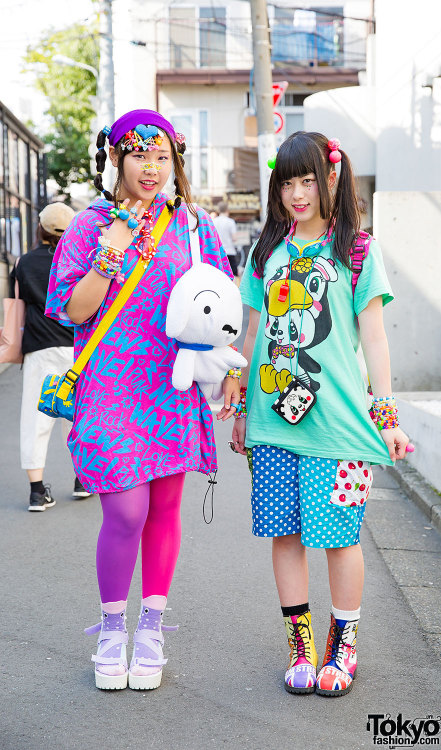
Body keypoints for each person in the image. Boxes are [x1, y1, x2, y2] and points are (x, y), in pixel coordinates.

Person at [45, 109, 239, 692]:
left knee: (164, 509)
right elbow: (73, 311)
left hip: (173, 385)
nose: (151, 168)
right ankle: (111, 628)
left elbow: (221, 305)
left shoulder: (196, 227)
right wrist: (112, 251)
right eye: (139, 155)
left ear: (175, 160)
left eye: (162, 157)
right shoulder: (88, 226)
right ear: (117, 159)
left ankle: (150, 627)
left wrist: (230, 371)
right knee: (125, 512)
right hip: (111, 388)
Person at [232, 131, 410, 697]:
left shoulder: (357, 251)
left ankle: (344, 644)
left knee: (339, 537)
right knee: (284, 537)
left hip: (338, 425)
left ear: (330, 178)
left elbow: (375, 341)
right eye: (287, 183)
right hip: (271, 421)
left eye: (307, 180)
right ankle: (300, 648)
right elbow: (253, 334)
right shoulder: (267, 254)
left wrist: (386, 414)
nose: (297, 193)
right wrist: (239, 406)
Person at [10, 202, 92, 511]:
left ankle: (36, 491)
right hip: (79, 349)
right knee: (78, 415)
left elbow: (18, 303)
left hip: (40, 348)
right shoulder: (81, 259)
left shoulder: (24, 263)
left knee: (35, 418)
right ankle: (82, 480)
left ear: (41, 228)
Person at [213, 201, 239, 277]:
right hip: (230, 252)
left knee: (219, 276)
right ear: (227, 210)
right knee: (233, 275)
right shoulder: (230, 222)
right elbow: (234, 238)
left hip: (218, 252)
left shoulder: (214, 221)